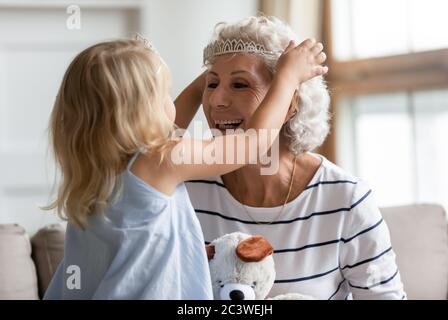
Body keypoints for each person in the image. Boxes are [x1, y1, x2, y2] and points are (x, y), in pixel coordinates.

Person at [43, 35, 327, 299]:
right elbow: (250, 144)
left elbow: (169, 128)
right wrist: (288, 77)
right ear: (142, 111)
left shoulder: (103, 169)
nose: (215, 97)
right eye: (164, 93)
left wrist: (214, 76)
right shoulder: (160, 161)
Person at [176, 16, 407, 300]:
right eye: (211, 85)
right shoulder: (185, 188)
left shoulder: (347, 200)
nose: (216, 101)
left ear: (289, 103)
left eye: (239, 85)